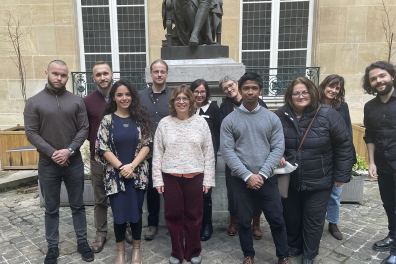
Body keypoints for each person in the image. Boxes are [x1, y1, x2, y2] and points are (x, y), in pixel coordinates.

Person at [275, 77, 354, 264]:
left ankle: (309, 254)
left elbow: (344, 145)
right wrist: (276, 153)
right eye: (296, 93)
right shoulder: (281, 114)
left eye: (305, 92)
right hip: (290, 178)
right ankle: (294, 246)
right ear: (290, 95)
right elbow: (270, 140)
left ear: (312, 92)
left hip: (320, 179)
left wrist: (341, 175)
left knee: (314, 220)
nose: (301, 96)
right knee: (291, 216)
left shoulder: (327, 114)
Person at [23, 60, 94, 264]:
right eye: (55, 73)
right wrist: (54, 153)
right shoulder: (34, 102)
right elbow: (31, 132)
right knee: (51, 208)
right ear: (47, 73)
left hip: (74, 161)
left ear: (67, 76)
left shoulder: (76, 101)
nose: (59, 78)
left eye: (63, 75)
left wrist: (69, 151)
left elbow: (84, 129)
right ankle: (52, 247)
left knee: (78, 205)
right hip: (48, 164)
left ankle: (82, 242)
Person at [221, 72, 291, 264]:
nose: (250, 92)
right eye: (246, 88)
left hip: (267, 178)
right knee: (244, 222)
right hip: (240, 180)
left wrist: (261, 174)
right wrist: (247, 176)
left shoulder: (271, 118)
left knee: (277, 219)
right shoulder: (230, 120)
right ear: (240, 90)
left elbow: (278, 148)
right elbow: (227, 152)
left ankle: (283, 256)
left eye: (254, 88)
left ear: (260, 90)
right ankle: (248, 254)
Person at [152, 84, 215, 264]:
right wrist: (157, 179)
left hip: (195, 177)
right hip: (170, 178)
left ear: (190, 101)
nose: (181, 102)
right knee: (173, 217)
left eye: (185, 98)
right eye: (177, 99)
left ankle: (194, 252)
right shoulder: (164, 123)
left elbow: (208, 152)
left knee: (195, 217)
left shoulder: (200, 123)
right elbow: (157, 153)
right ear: (173, 102)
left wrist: (208, 178)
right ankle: (177, 253)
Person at [95, 79, 152, 264]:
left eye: (127, 94)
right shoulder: (107, 120)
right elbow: (103, 148)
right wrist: (121, 167)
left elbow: (147, 145)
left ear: (132, 96)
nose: (124, 98)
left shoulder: (140, 118)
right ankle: (121, 253)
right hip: (115, 177)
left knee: (136, 215)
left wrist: (131, 166)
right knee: (119, 216)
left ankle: (136, 250)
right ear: (113, 97)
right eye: (119, 94)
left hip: (137, 175)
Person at [83, 61, 134, 252]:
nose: (103, 77)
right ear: (93, 78)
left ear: (112, 74)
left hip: (123, 159)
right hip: (99, 160)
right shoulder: (87, 102)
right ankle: (101, 233)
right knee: (100, 198)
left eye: (106, 73)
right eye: (98, 74)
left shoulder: (122, 97)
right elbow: (84, 129)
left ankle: (127, 228)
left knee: (124, 194)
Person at [218, 75, 267, 240]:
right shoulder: (223, 107)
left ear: (237, 84)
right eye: (225, 88)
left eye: (231, 85)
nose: (229, 89)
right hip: (234, 159)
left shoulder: (259, 102)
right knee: (233, 192)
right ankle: (234, 220)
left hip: (257, 157)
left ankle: (256, 223)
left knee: (257, 190)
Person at [362, 61, 396, 264]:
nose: (378, 81)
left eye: (382, 76)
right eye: (373, 79)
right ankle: (393, 235)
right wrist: (371, 162)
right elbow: (370, 135)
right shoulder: (370, 107)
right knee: (389, 204)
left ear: (391, 76)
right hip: (383, 164)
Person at [318, 74, 357, 241]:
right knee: (318, 193)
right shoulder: (314, 104)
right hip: (318, 155)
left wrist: (348, 159)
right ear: (324, 85)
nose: (333, 90)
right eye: (331, 86)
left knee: (335, 193)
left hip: (337, 156)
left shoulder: (342, 106)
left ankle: (333, 222)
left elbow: (348, 133)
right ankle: (315, 223)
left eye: (337, 88)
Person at [139, 59, 172, 241]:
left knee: (171, 189)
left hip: (170, 152)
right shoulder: (140, 96)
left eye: (162, 71)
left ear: (167, 74)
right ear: (150, 74)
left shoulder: (174, 97)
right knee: (151, 189)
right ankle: (152, 224)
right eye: (156, 71)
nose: (159, 74)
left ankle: (173, 221)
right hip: (147, 152)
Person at [190, 79, 220, 241]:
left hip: (208, 158)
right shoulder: (187, 108)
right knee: (191, 194)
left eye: (202, 91)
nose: (199, 94)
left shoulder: (214, 108)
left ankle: (207, 225)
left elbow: (218, 132)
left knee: (206, 193)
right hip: (189, 159)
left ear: (207, 93)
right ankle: (194, 224)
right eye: (196, 91)